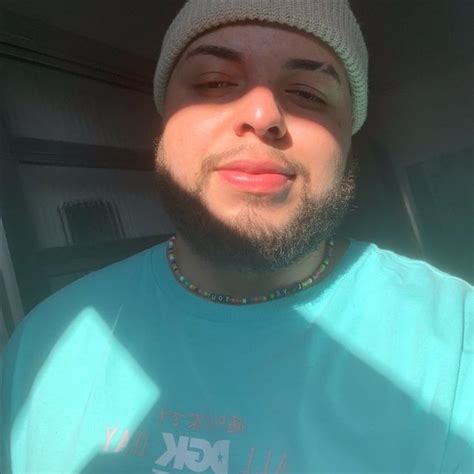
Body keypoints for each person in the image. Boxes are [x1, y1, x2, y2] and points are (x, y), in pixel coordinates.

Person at [1, 0, 473, 472]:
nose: (263, 114)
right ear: (165, 119)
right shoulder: (46, 340)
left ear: (348, 140)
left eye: (308, 93)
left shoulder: (455, 343)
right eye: (215, 83)